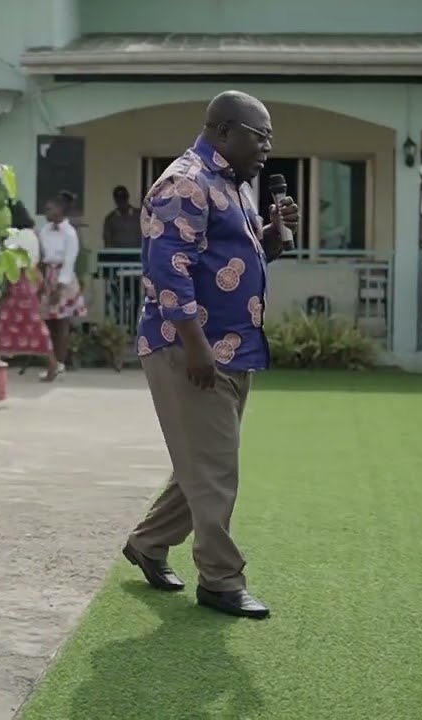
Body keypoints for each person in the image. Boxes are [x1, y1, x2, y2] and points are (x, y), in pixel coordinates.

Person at [123, 90, 299, 620]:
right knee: (216, 467)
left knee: (203, 464)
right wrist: (195, 345)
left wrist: (272, 236)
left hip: (234, 346)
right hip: (190, 349)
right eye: (259, 135)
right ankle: (221, 579)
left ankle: (148, 543)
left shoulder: (234, 187)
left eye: (270, 137)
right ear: (223, 131)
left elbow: (229, 259)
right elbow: (167, 268)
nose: (268, 147)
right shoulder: (187, 181)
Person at [0, 201, 56, 379]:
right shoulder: (34, 234)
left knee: (4, 323)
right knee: (34, 323)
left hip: (18, 281)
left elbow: (10, 263)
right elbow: (43, 257)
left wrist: (5, 287)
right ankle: (52, 363)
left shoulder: (12, 235)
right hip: (33, 277)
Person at [39, 195, 87, 378]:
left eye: (50, 209)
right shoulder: (44, 230)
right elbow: (42, 256)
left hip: (63, 279)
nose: (47, 212)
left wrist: (59, 288)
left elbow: (69, 261)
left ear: (60, 210)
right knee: (48, 322)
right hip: (48, 276)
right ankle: (51, 361)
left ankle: (60, 363)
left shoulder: (70, 233)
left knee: (62, 323)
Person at [102, 185, 142, 249]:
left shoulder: (140, 216)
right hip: (117, 256)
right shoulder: (110, 219)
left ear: (128, 197)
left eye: (123, 198)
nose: (122, 202)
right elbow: (107, 243)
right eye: (119, 199)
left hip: (137, 255)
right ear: (115, 200)